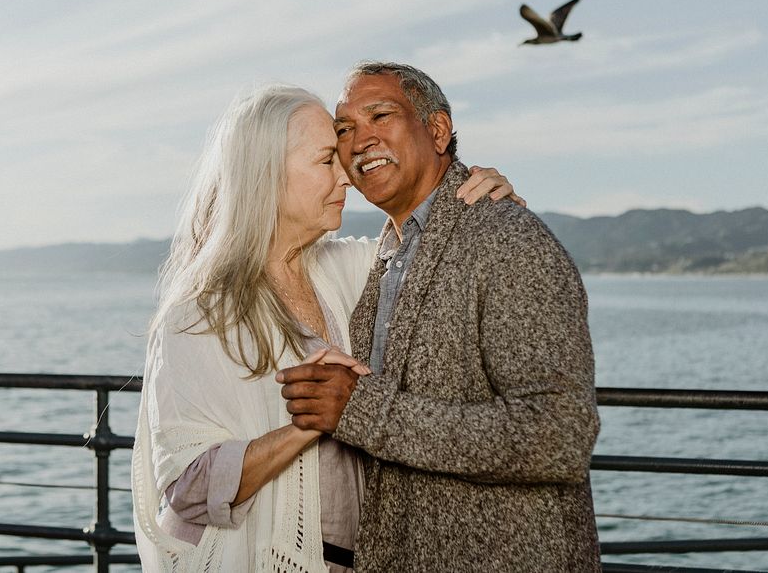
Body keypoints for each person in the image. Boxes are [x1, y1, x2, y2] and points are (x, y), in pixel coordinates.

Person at [131, 83, 520, 572]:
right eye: (325, 162)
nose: (348, 179)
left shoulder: (352, 268)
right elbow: (187, 489)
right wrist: (307, 424)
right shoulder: (199, 314)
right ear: (266, 175)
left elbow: (434, 247)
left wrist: (488, 203)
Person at [277, 62, 602, 572]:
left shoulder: (508, 241)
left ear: (437, 130)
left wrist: (362, 412)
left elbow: (558, 435)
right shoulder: (379, 257)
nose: (360, 140)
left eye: (380, 115)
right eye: (344, 130)